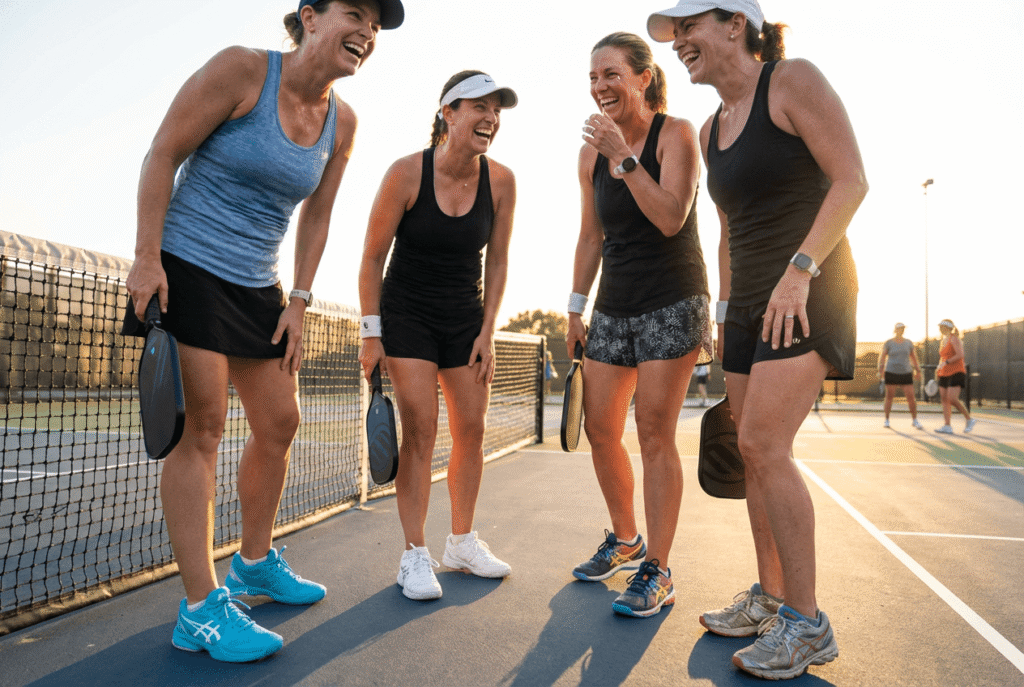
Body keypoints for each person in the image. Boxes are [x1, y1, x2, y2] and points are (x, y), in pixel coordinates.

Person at [122, 0, 404, 662]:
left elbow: (318, 215)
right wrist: (145, 254)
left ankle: (252, 563)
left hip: (259, 286)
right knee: (204, 429)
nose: (367, 31)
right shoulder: (242, 71)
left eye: (376, 25)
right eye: (356, 12)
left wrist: (299, 300)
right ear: (309, 16)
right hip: (186, 267)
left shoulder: (344, 121)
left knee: (280, 421)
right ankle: (198, 609)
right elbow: (162, 152)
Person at [649, 0, 867, 678]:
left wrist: (801, 271)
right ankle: (773, 597)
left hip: (809, 286)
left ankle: (808, 624)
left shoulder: (791, 80)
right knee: (748, 449)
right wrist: (724, 311)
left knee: (766, 443)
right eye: (674, 33)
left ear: (734, 24)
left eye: (689, 27)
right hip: (746, 304)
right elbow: (725, 228)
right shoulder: (715, 127)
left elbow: (852, 181)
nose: (679, 41)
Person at [566, 31, 711, 619]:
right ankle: (627, 540)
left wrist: (623, 155)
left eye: (612, 74)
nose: (600, 86)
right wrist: (575, 306)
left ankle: (660, 570)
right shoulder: (587, 153)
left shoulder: (676, 134)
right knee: (601, 427)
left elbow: (671, 217)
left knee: (654, 432)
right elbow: (590, 234)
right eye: (593, 77)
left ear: (643, 77)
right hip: (613, 304)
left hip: (673, 299)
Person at [358, 70, 518, 601]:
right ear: (448, 113)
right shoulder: (406, 173)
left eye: (497, 109)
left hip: (464, 316)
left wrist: (488, 331)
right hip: (406, 315)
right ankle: (414, 556)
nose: (491, 117)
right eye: (480, 106)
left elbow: (498, 262)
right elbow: (372, 258)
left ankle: (462, 543)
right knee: (421, 432)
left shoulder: (502, 182)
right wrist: (370, 334)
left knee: (471, 428)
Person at [934, 319, 976, 434]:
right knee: (944, 399)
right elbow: (943, 357)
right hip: (944, 373)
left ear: (947, 327)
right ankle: (947, 426)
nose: (939, 329)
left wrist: (946, 362)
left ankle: (969, 419)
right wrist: (939, 368)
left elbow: (960, 355)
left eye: (941, 326)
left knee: (951, 398)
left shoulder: (954, 339)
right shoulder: (943, 340)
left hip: (957, 372)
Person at [878, 323, 923, 429]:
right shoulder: (889, 343)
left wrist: (918, 370)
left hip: (906, 373)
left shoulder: (908, 343)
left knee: (911, 397)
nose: (901, 330)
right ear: (895, 330)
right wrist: (881, 370)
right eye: (899, 329)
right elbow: (883, 357)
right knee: (889, 397)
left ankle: (915, 420)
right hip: (891, 372)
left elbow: (914, 358)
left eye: (903, 329)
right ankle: (887, 420)